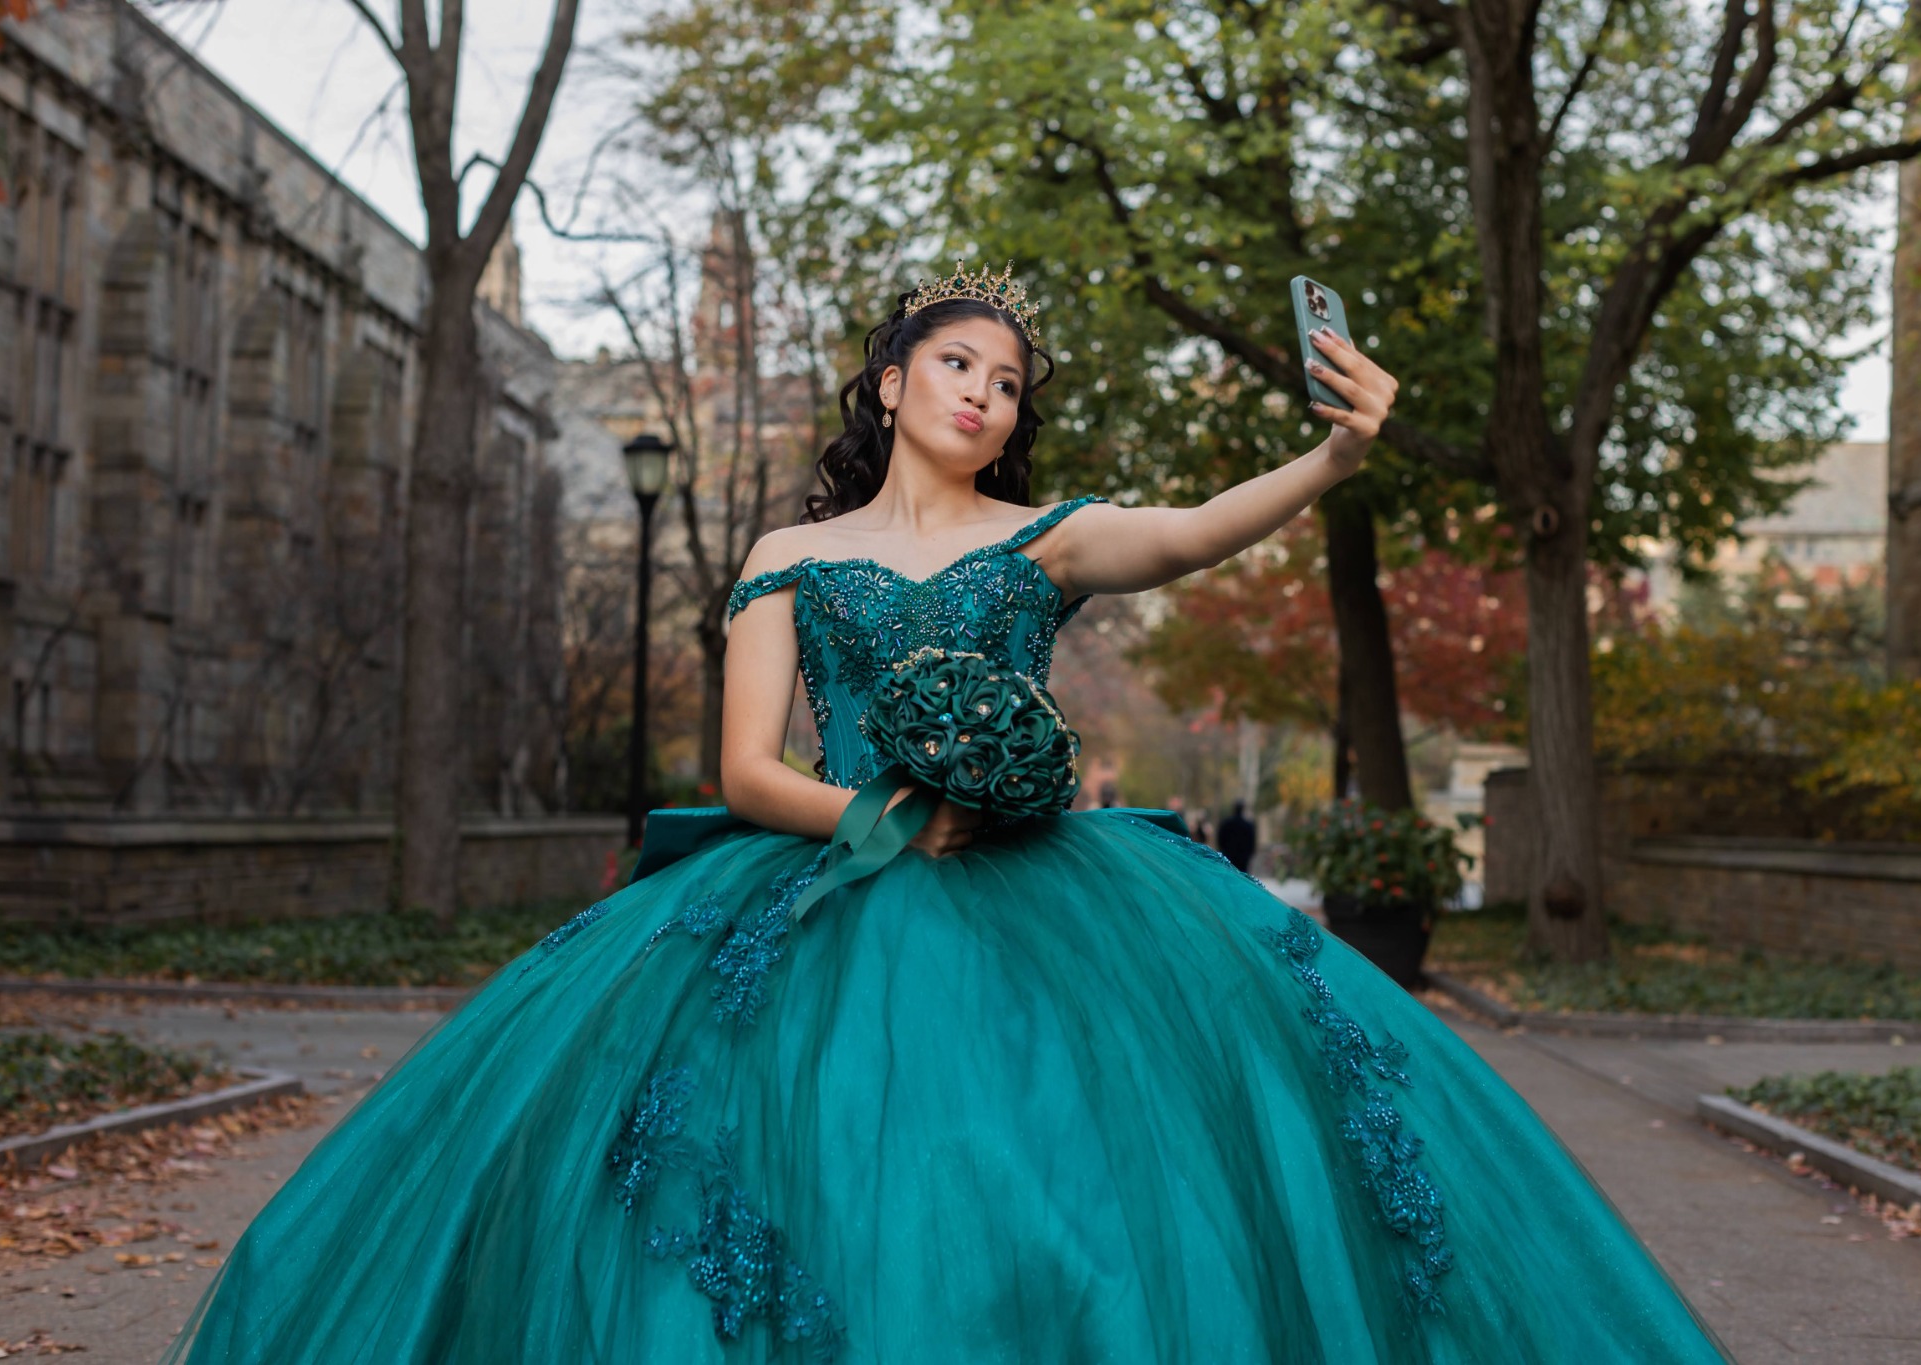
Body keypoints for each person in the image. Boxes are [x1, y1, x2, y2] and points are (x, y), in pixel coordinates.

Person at [165, 266, 1728, 1363]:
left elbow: (1187, 533)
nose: (986, 395)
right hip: (834, 877)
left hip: (1057, 901)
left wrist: (1330, 453)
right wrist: (898, 819)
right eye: (961, 366)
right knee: (811, 1173)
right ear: (893, 379)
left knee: (1057, 1180)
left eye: (1011, 383)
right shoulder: (788, 547)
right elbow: (751, 772)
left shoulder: (1043, 540)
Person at [1216, 799, 1258, 875]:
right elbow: (1251, 843)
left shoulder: (1226, 824)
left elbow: (1220, 839)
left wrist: (1223, 850)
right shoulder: (1248, 825)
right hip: (1242, 858)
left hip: (1228, 856)